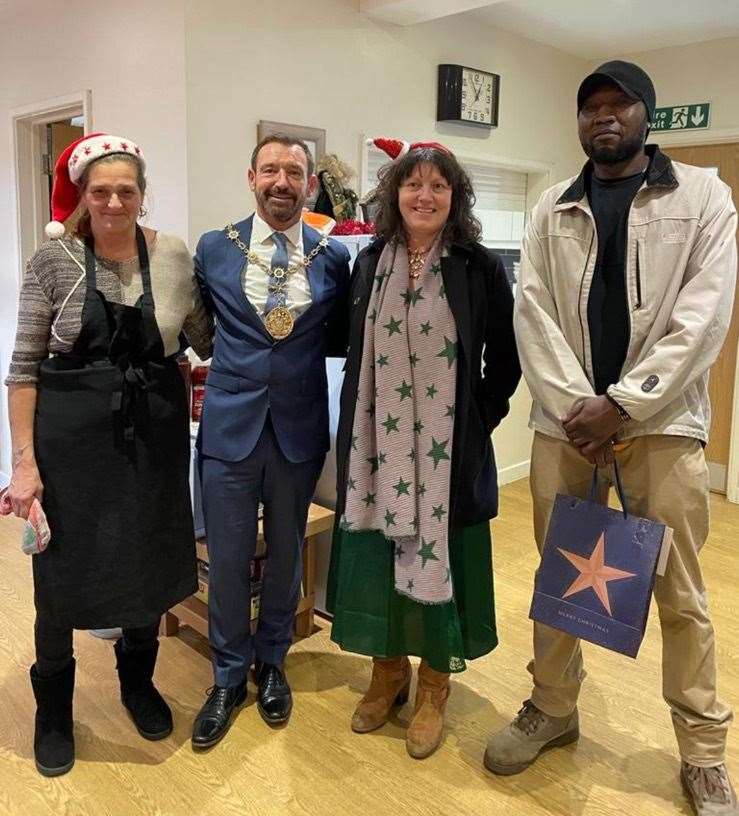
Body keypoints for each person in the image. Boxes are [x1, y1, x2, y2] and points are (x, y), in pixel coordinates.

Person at [484, 61, 739, 816]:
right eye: (590, 107)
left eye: (618, 106)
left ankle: (702, 752)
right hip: (565, 433)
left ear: (645, 116)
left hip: (661, 430)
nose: (604, 118)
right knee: (560, 579)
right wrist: (578, 412)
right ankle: (552, 709)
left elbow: (703, 317)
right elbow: (531, 315)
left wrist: (623, 407)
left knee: (680, 594)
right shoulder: (549, 207)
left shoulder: (701, 197)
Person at [6, 132, 214, 777]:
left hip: (152, 437)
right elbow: (23, 368)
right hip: (71, 444)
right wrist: (24, 462)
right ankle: (53, 712)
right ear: (83, 196)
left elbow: (207, 334)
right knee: (64, 576)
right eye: (102, 191)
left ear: (143, 195)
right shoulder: (53, 261)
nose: (115, 201)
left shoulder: (174, 256)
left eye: (127, 190)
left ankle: (137, 682)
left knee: (147, 560)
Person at [327, 137, 521, 759]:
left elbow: (506, 359)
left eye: (439, 185)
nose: (424, 195)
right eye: (414, 184)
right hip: (378, 449)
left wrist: (474, 426)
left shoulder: (479, 266)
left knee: (446, 562)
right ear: (395, 194)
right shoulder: (368, 262)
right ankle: (388, 675)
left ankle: (435, 684)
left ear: (455, 197)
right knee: (381, 559)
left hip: (447, 457)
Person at [190, 134, 350, 748]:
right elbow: (202, 329)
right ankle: (227, 676)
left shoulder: (332, 258)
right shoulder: (214, 249)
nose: (282, 182)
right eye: (271, 170)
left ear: (310, 184)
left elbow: (337, 338)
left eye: (295, 172)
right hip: (231, 428)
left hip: (299, 429)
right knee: (228, 560)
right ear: (251, 177)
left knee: (286, 558)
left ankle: (272, 662)